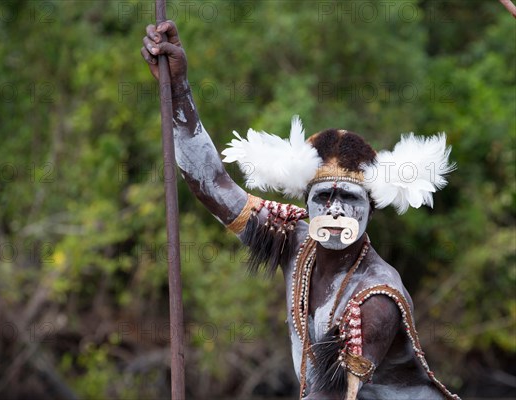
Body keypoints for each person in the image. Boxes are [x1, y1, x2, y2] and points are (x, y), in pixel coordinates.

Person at [141, 21, 460, 400]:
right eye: (324, 197)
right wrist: (178, 87)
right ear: (305, 204)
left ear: (371, 210)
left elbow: (332, 395)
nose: (337, 211)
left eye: (351, 200)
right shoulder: (295, 238)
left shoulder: (375, 299)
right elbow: (212, 184)